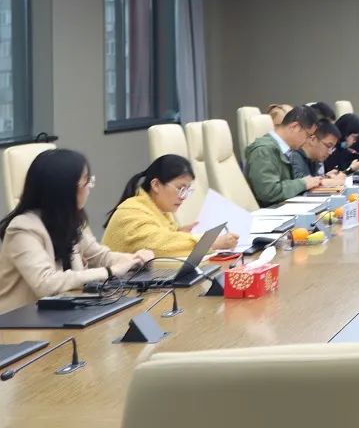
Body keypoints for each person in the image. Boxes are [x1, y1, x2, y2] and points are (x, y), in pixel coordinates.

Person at [0, 149, 154, 313]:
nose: (89, 188)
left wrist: (134, 259)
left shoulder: (71, 219)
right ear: (65, 189)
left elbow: (99, 256)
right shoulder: (22, 229)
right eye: (86, 182)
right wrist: (110, 271)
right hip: (21, 321)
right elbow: (46, 284)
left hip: (63, 312)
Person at [102, 155, 239, 256]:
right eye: (180, 188)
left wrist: (179, 233)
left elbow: (163, 239)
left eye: (187, 190)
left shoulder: (160, 209)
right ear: (156, 185)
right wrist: (211, 242)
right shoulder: (131, 213)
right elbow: (159, 246)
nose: (183, 196)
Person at [244, 105, 322, 206]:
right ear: (294, 127)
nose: (307, 141)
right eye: (308, 135)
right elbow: (268, 191)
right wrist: (303, 183)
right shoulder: (263, 150)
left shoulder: (285, 150)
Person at [290, 120, 346, 188]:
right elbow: (304, 185)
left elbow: (313, 181)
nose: (330, 152)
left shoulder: (314, 159)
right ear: (313, 140)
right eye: (328, 146)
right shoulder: (295, 156)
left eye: (332, 148)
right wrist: (333, 181)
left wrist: (326, 177)